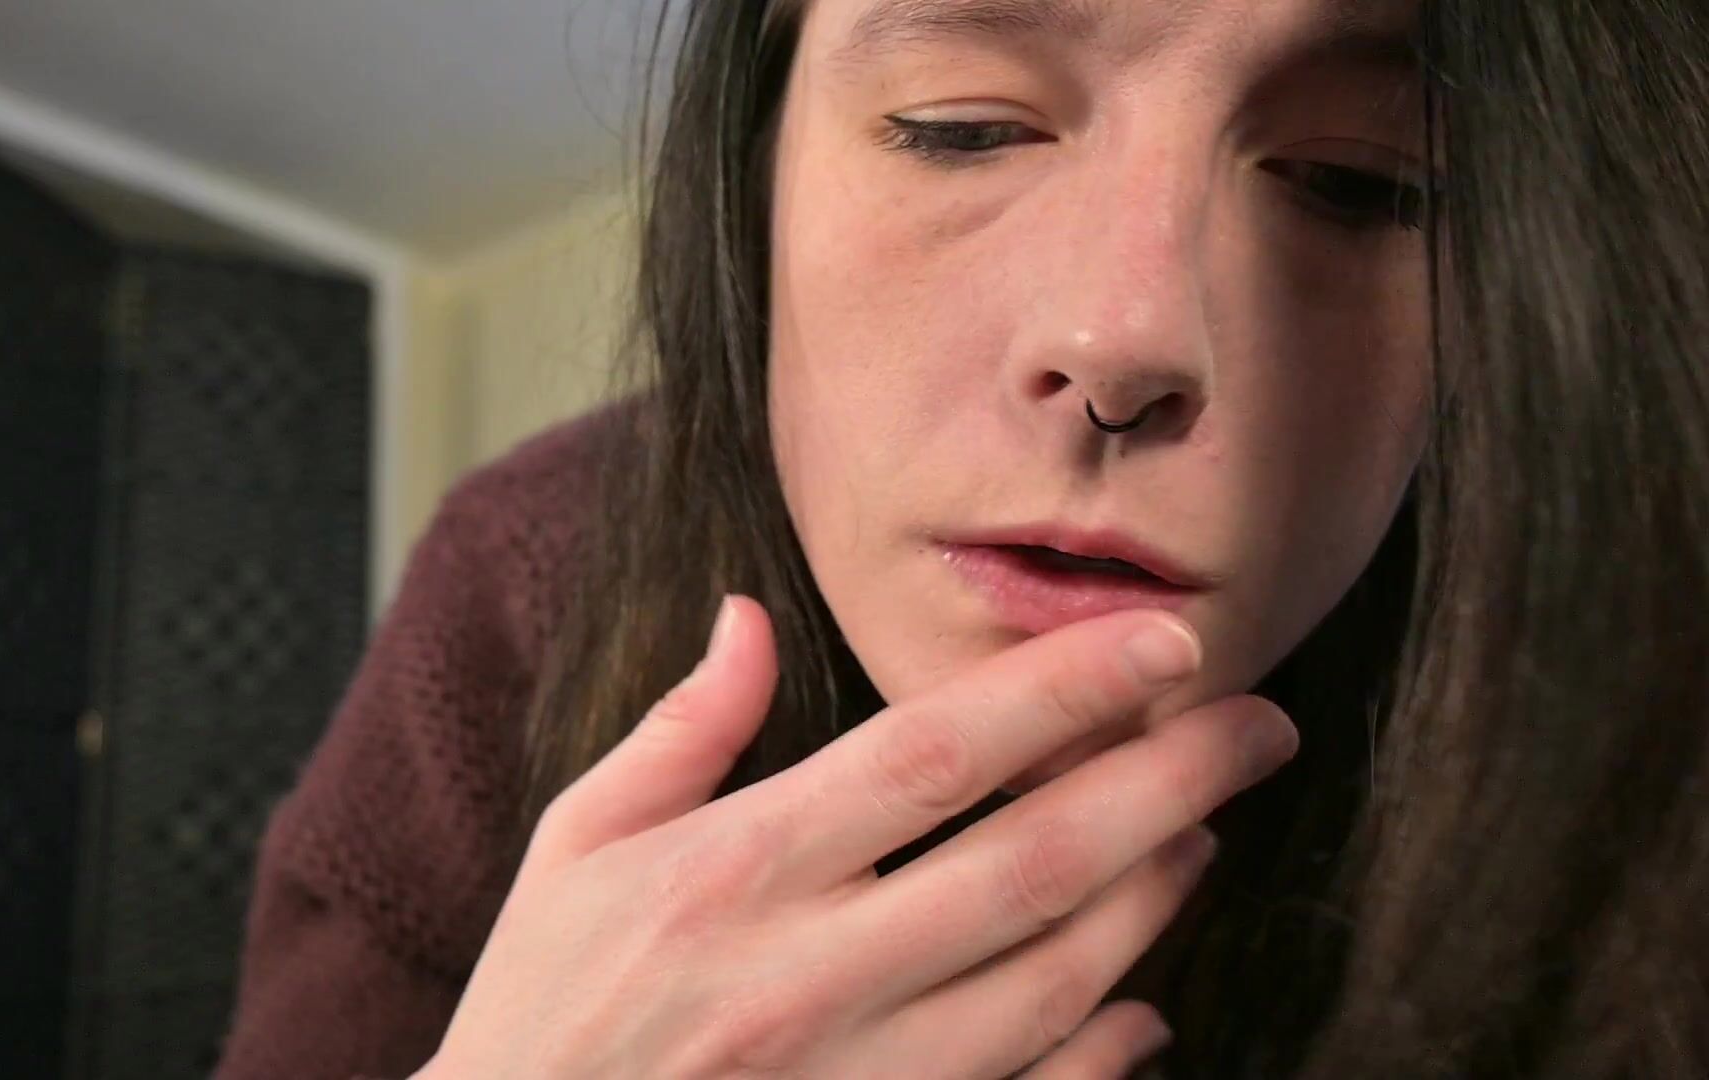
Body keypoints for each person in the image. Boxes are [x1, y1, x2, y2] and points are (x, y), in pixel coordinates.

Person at [214, 0, 1709, 1076]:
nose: (1123, 344)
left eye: (1358, 182)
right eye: (963, 127)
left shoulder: (1645, 714)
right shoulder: (530, 567)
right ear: (752, 179)